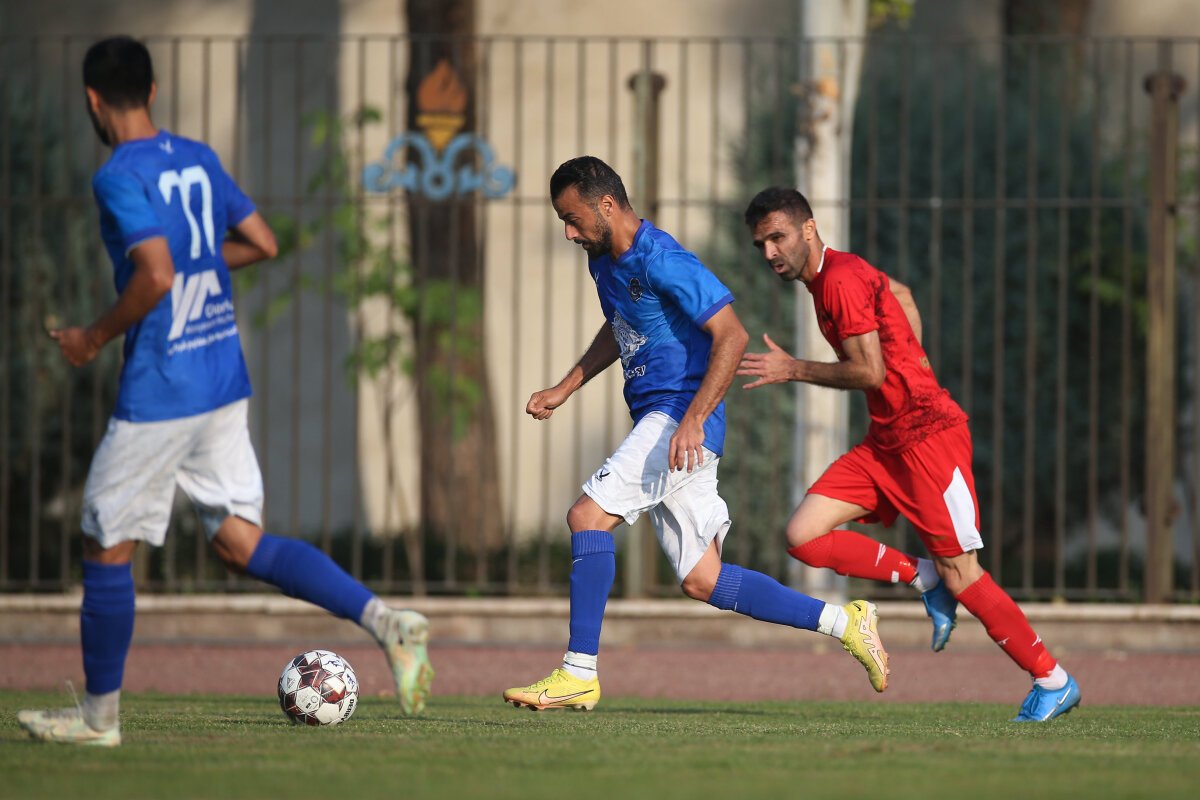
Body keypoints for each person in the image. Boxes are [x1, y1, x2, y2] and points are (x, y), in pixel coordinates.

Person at [18, 36, 433, 747]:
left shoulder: (118, 175)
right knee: (240, 543)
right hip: (220, 377)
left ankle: (97, 719)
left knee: (105, 539)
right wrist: (196, 266)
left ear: (92, 100)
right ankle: (385, 621)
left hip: (163, 387)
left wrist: (92, 337)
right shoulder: (198, 157)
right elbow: (263, 241)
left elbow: (154, 274)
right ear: (152, 91)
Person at [501, 157, 889, 711]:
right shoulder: (603, 260)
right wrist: (566, 387)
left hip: (678, 416)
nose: (568, 232)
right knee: (704, 580)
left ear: (606, 205)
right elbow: (621, 325)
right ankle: (845, 622)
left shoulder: (663, 257)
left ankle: (578, 671)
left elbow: (732, 334)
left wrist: (693, 418)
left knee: (586, 517)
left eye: (572, 218)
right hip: (666, 420)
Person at [738, 186, 1081, 722]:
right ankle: (923, 577)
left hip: (927, 441)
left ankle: (1052, 679)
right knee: (804, 534)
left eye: (777, 238)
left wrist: (794, 368)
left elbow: (870, 372)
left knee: (963, 573)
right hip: (887, 441)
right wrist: (911, 361)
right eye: (761, 244)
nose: (769, 253)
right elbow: (901, 292)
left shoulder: (838, 281)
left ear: (808, 228)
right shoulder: (839, 273)